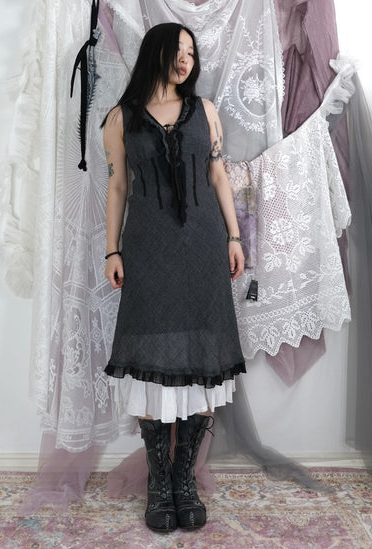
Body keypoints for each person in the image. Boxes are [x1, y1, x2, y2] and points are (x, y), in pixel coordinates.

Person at [102, 22, 246, 533]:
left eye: (191, 52)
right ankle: (158, 483)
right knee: (148, 356)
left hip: (203, 246)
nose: (185, 60)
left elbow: (218, 175)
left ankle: (184, 480)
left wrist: (234, 237)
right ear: (155, 53)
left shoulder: (206, 111)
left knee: (202, 355)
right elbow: (117, 186)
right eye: (176, 50)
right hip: (147, 250)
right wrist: (112, 249)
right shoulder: (121, 118)